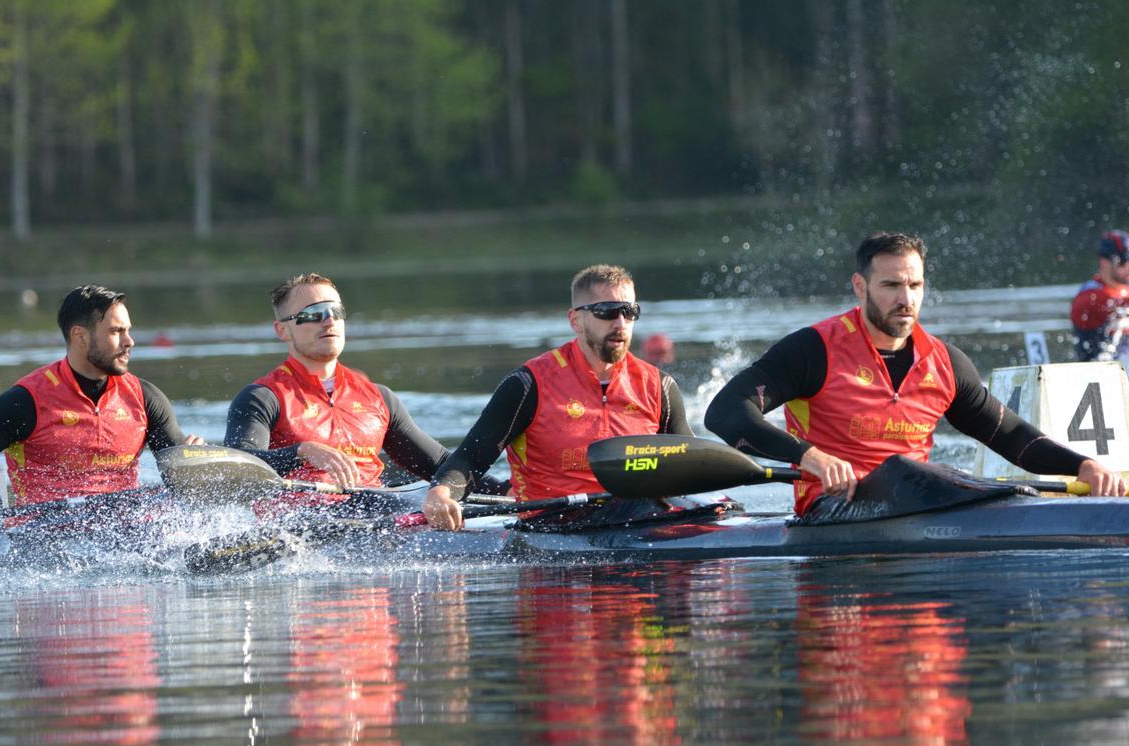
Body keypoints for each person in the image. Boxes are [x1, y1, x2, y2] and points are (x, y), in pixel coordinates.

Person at [704, 232, 1125, 515]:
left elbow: (1010, 434)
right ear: (859, 286)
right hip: (833, 508)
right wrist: (808, 456)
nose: (905, 300)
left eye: (915, 286)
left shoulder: (944, 361)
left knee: (956, 480)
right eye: (890, 286)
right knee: (907, 471)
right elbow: (725, 412)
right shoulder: (813, 349)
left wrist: (1083, 466)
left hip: (920, 503)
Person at [422, 264, 693, 530]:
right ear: (576, 320)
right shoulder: (528, 385)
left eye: (630, 312)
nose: (620, 323)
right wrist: (441, 494)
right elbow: (471, 457)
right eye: (607, 312)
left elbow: (692, 464)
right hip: (555, 525)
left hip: (639, 519)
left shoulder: (659, 386)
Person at [0, 285, 204, 537]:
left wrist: (194, 464)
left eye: (128, 330)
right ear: (79, 336)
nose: (129, 341)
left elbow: (180, 479)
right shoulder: (26, 401)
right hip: (42, 537)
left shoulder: (145, 398)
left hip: (126, 535)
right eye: (116, 332)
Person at [223, 274, 505, 496]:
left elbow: (439, 464)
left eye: (335, 311)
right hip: (299, 521)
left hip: (375, 514)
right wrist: (301, 452)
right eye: (313, 314)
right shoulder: (262, 397)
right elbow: (237, 467)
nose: (329, 320)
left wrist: (508, 491)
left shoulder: (379, 398)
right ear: (282, 330)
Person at [1071, 230, 1129, 362]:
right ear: (1104, 262)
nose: (1128, 266)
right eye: (1123, 261)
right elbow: (1108, 303)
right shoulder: (1089, 296)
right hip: (1102, 374)